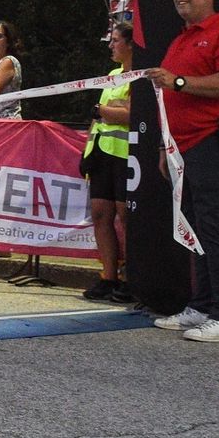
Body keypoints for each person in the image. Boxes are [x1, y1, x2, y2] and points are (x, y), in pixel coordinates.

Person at [146, 0, 219, 344]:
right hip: (182, 147)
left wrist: (178, 81)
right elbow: (168, 100)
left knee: (215, 225)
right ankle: (203, 305)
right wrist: (164, 147)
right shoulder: (180, 41)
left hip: (216, 140)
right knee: (194, 228)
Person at [81, 23, 134, 303]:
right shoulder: (113, 75)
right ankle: (108, 276)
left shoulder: (139, 76)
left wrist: (104, 111)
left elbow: (132, 114)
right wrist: (86, 151)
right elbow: (101, 116)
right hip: (101, 152)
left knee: (127, 217)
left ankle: (132, 277)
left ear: (130, 44)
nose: (111, 45)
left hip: (126, 155)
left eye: (115, 41)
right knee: (101, 214)